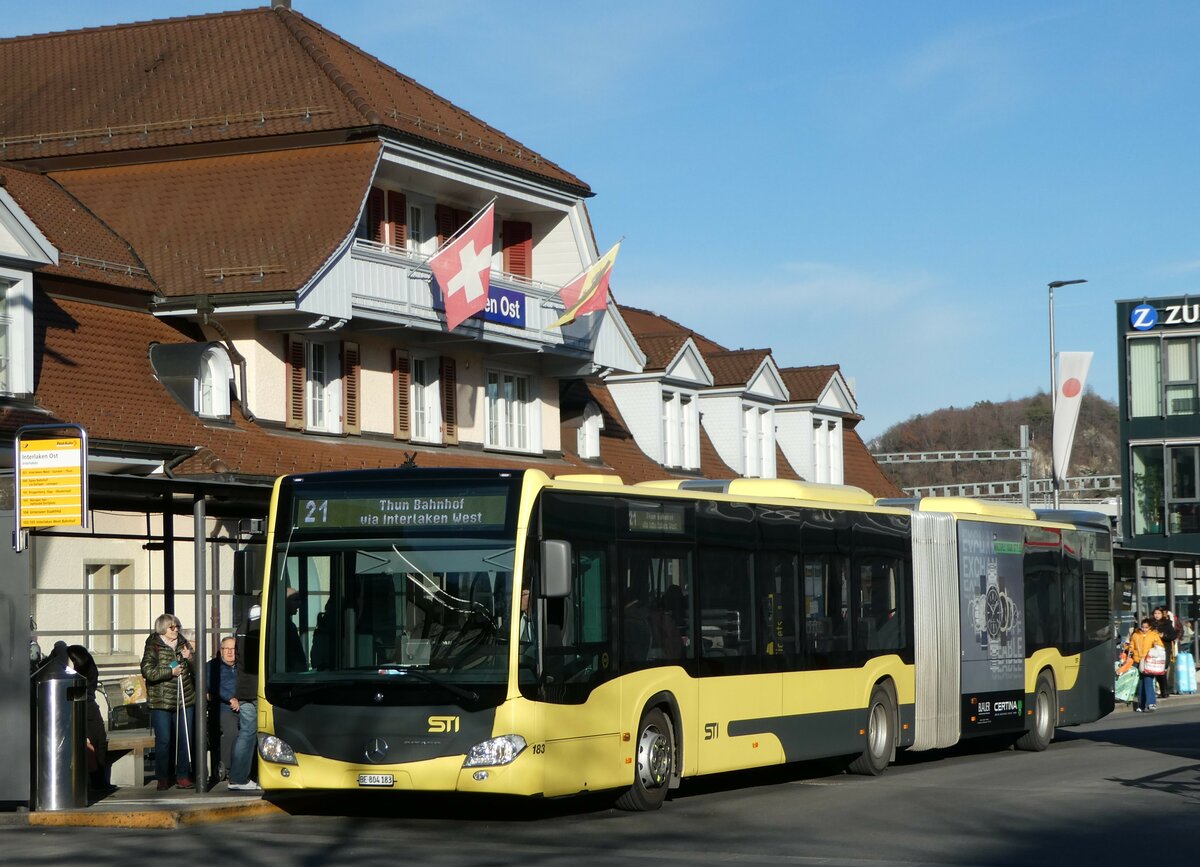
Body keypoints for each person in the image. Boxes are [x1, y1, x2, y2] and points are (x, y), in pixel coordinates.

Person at [141, 613, 196, 790]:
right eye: (173, 627)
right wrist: (170, 672)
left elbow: (197, 670)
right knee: (164, 740)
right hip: (161, 701)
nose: (176, 630)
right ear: (163, 629)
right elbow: (148, 671)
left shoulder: (183, 643)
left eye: (178, 626)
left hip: (184, 698)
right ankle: (163, 777)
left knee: (184, 738)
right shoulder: (153, 645)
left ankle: (183, 775)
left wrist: (191, 658)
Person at [67, 644, 113, 797]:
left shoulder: (88, 667)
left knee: (99, 739)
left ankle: (99, 780)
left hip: (88, 703)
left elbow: (86, 691)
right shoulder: (68, 669)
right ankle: (97, 780)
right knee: (91, 743)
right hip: (77, 704)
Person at [228, 598, 262, 792]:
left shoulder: (242, 625)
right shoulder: (262, 625)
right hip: (259, 687)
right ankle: (255, 776)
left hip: (243, 688)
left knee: (247, 732)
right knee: (263, 732)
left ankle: (238, 777)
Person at [207, 636, 239, 783]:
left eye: (233, 649)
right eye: (227, 649)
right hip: (223, 707)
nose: (230, 652)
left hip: (244, 705)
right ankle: (226, 767)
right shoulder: (213, 666)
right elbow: (212, 685)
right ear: (221, 650)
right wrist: (230, 698)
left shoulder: (242, 666)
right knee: (232, 731)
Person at [1128, 617, 1165, 713]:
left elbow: (1160, 646)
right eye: (1143, 627)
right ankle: (1141, 704)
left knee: (1148, 681)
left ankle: (1151, 703)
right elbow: (1131, 646)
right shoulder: (1135, 634)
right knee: (1140, 684)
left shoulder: (1154, 635)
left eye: (1146, 627)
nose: (1144, 629)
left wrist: (1155, 649)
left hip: (1149, 662)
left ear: (1150, 627)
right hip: (1137, 660)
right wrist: (1129, 648)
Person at [1151, 607, 1177, 698]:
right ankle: (1158, 691)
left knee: (1162, 670)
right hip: (1153, 651)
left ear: (1162, 614)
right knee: (1155, 671)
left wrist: (1163, 635)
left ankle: (1164, 691)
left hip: (1164, 650)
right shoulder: (1151, 624)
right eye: (1155, 613)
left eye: (1158, 613)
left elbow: (1173, 636)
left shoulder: (1167, 624)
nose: (1156, 615)